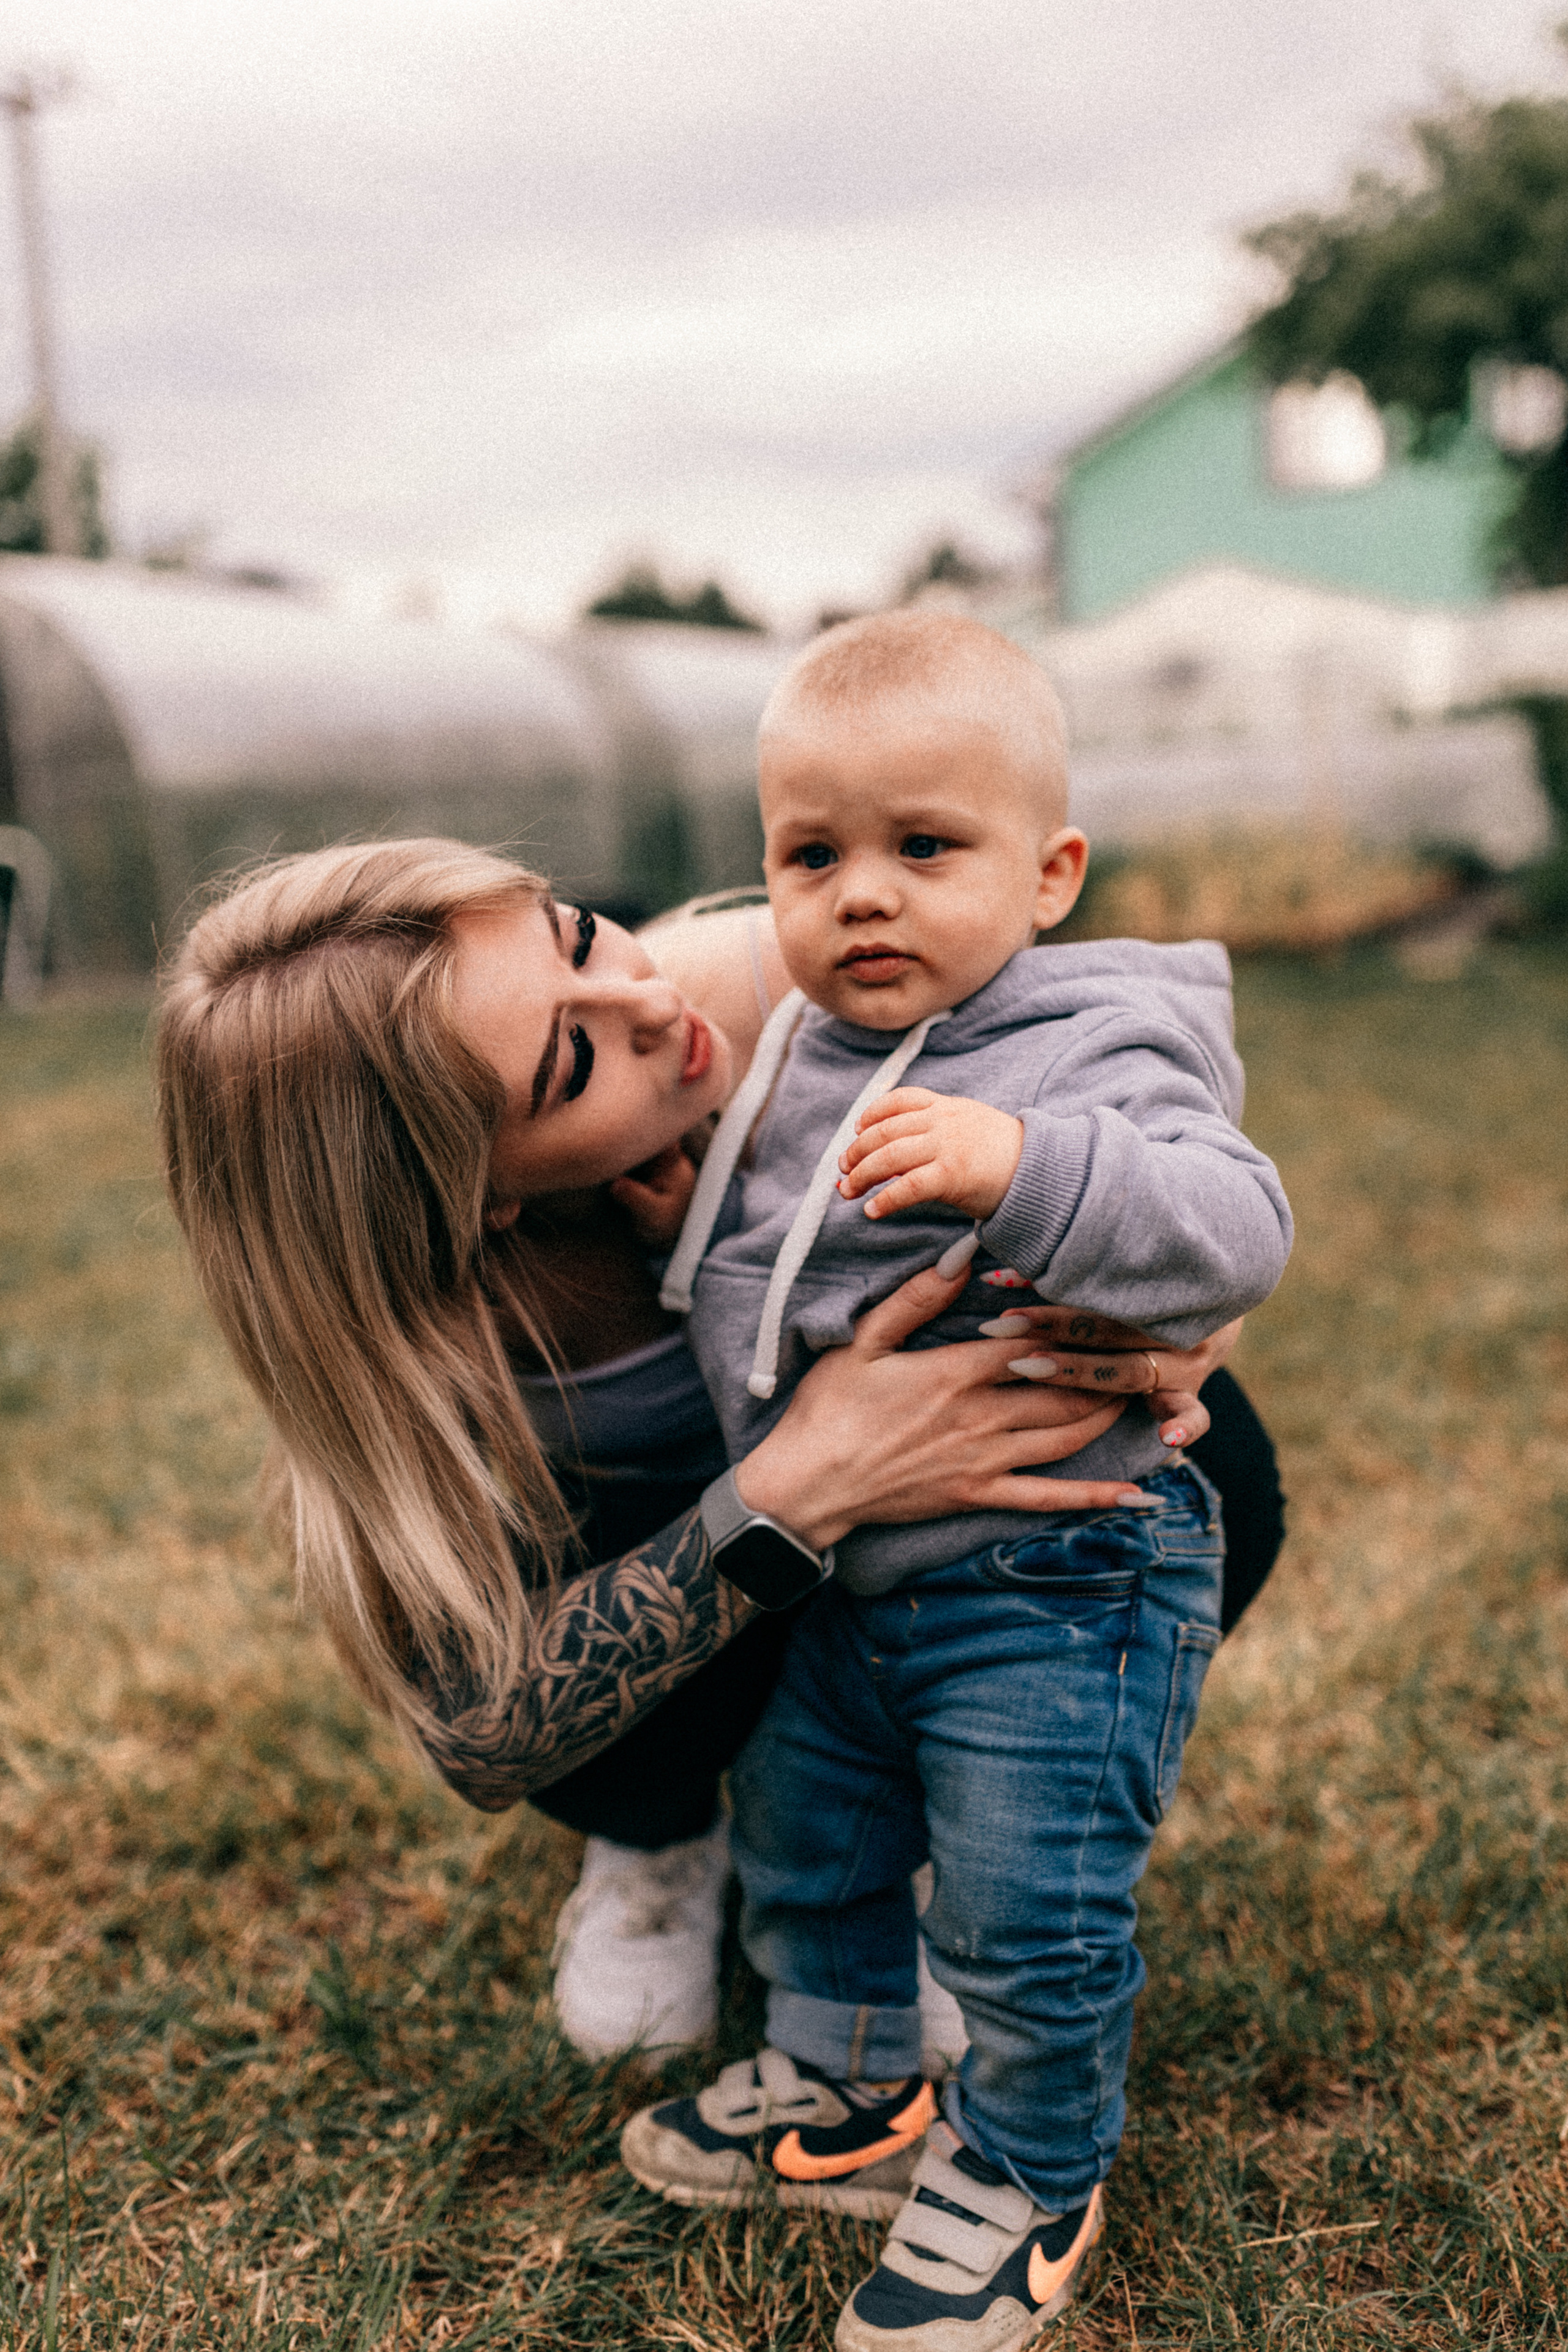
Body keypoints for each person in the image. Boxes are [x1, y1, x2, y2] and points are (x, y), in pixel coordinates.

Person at [153, 839, 1256, 2060]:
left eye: (575, 935)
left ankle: (955, 1810)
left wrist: (1173, 1322)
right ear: (471, 1201)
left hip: (929, 1532)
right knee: (571, 1628)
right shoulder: (419, 1332)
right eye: (570, 1064)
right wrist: (801, 1484)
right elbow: (473, 1721)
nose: (648, 1004)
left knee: (1212, 1476)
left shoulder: (802, 975)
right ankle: (660, 1838)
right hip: (701, 1552)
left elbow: (1156, 1126)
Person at [619, 611, 1292, 2352]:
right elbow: (782, 1262)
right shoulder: (794, 1051)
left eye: (926, 849)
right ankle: (849, 2096)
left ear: (1050, 873)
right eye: (811, 854)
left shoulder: (1087, 1045)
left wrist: (1029, 1166)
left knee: (1024, 1911)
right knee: (812, 1856)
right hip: (855, 1578)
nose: (862, 895)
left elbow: (1238, 1228)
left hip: (1060, 1585)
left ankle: (1032, 2173)